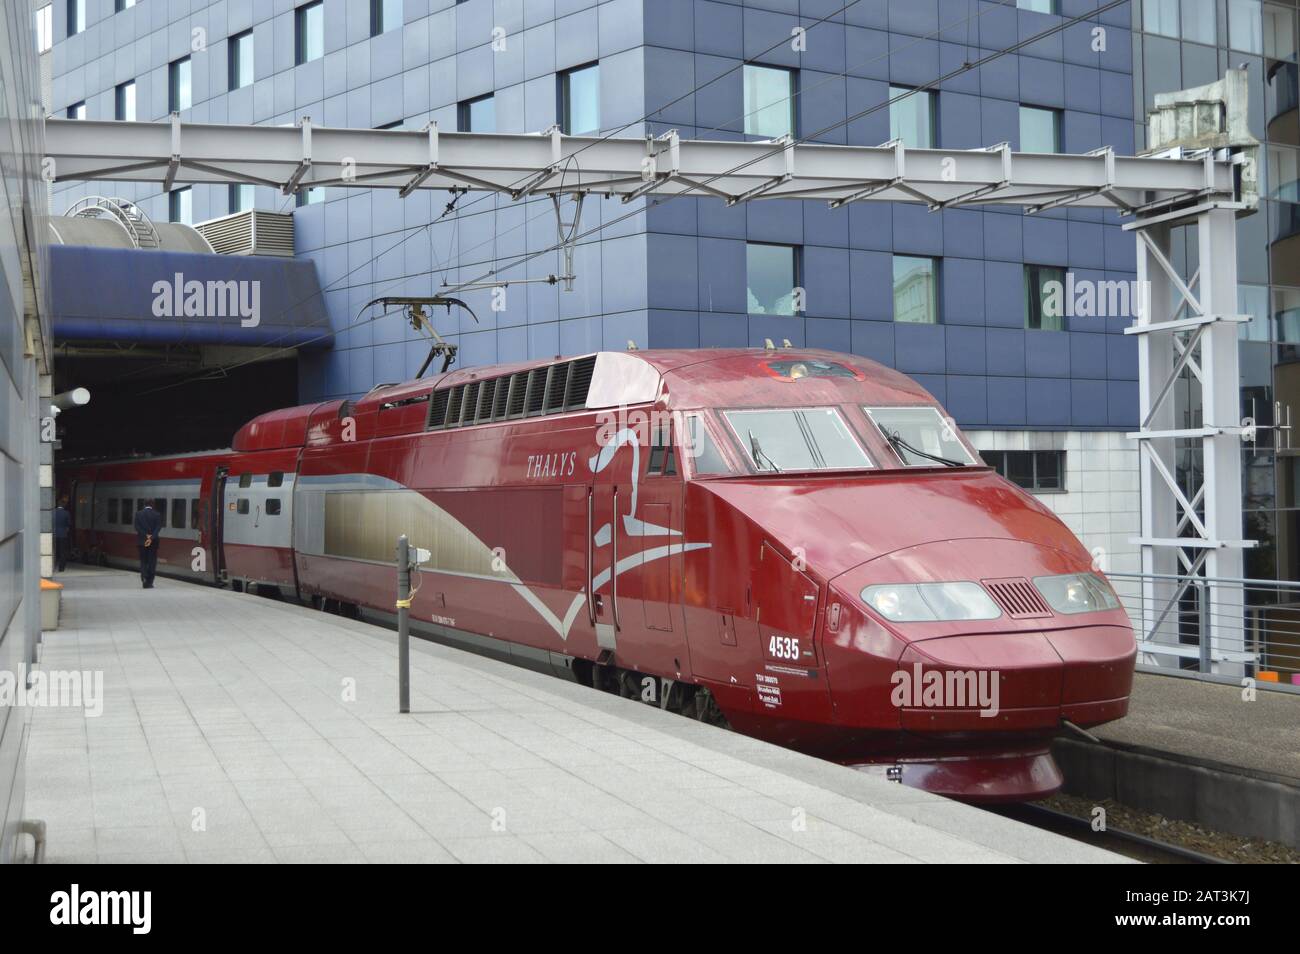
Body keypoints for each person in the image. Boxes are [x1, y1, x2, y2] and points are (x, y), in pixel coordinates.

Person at [133, 499, 163, 589]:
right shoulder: (157, 514)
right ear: (152, 504)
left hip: (142, 542)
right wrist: (151, 537)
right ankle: (150, 582)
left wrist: (146, 535)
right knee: (152, 561)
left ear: (144, 504)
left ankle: (144, 577)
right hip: (153, 542)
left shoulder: (138, 514)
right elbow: (158, 527)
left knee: (143, 561)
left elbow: (137, 527)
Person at [53, 498, 71, 573]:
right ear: (64, 505)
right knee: (62, 551)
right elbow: (68, 524)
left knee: (54, 550)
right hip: (63, 535)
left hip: (54, 534)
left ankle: (53, 565)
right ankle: (61, 568)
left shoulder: (53, 512)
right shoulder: (66, 513)